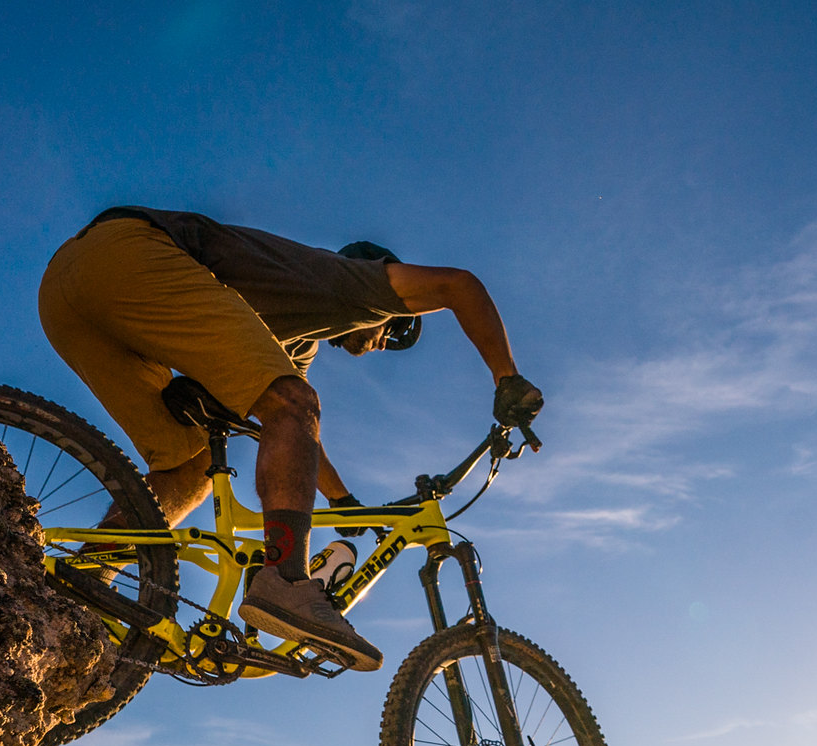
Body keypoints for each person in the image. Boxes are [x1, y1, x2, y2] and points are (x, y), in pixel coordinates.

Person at [37, 206, 543, 672]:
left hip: (67, 289)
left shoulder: (297, 341)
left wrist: (341, 498)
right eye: (395, 333)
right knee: (292, 400)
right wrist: (507, 377)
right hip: (128, 255)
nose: (381, 346)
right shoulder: (350, 284)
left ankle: (86, 578)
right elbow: (459, 285)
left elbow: (296, 428)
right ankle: (285, 580)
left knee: (189, 464)